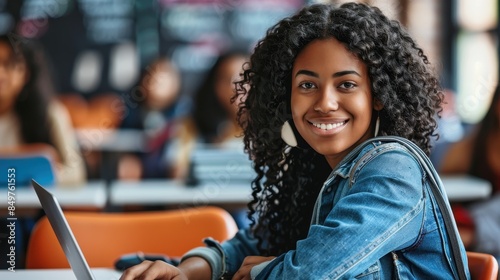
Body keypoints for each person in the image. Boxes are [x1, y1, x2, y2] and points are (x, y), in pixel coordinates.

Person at [120, 3, 469, 279]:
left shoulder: (393, 170)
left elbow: (309, 272)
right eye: (307, 85)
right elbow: (257, 241)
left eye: (346, 84)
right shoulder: (313, 165)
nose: (324, 102)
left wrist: (266, 269)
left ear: (377, 95)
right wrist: (184, 271)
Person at [0, 34, 86, 185]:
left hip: (32, 206)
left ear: (26, 73)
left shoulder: (50, 113)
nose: (0, 73)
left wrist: (37, 178)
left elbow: (75, 172)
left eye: (9, 64)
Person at [439, 85, 500, 259]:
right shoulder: (471, 146)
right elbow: (441, 188)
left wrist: (473, 230)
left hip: (480, 234)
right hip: (459, 229)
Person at [117, 57, 189, 180]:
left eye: (163, 79)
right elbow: (124, 139)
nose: (155, 83)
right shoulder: (132, 112)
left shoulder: (183, 113)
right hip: (141, 163)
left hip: (170, 162)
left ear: (176, 83)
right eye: (150, 78)